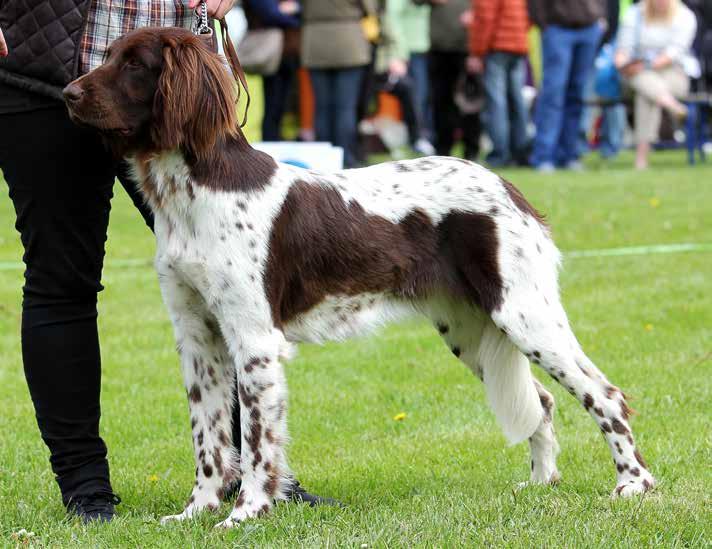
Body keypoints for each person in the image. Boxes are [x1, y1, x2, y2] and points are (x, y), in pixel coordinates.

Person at [0, 0, 327, 523]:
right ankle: (85, 489)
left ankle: (255, 476)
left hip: (177, 83)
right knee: (60, 282)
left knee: (235, 288)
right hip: (41, 68)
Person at [615, 0, 699, 169]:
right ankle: (673, 106)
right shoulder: (635, 13)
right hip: (637, 73)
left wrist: (644, 66)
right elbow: (622, 49)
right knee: (645, 84)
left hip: (674, 73)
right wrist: (624, 65)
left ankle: (641, 157)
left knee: (646, 92)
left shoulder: (685, 16)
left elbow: (673, 53)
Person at [528, 0, 606, 172]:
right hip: (558, 28)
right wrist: (545, 25)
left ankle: (570, 155)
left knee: (577, 95)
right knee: (553, 94)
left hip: (589, 27)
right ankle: (544, 156)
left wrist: (599, 16)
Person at [300, 0, 374, 167]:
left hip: (315, 42)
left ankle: (324, 158)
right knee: (346, 107)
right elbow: (371, 8)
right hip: (348, 42)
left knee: (322, 108)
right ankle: (345, 157)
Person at [466, 0, 531, 167]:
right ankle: (520, 153)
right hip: (518, 44)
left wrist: (477, 52)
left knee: (496, 103)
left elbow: (485, 19)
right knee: (517, 101)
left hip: (496, 48)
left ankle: (499, 154)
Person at [417, 0, 481, 160]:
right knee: (441, 102)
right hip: (440, 49)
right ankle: (442, 150)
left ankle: (471, 151)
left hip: (468, 48)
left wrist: (478, 15)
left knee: (470, 104)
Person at [375, 0, 436, 155]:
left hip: (421, 49)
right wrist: (399, 54)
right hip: (406, 52)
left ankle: (420, 138)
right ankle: (417, 138)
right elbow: (392, 20)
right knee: (416, 97)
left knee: (421, 97)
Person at [242, 0, 301, 141]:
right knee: (271, 106)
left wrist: (295, 8)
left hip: (285, 55)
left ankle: (275, 141)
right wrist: (296, 20)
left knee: (280, 106)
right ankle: (270, 143)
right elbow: (271, 14)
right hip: (268, 54)